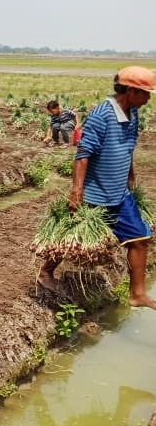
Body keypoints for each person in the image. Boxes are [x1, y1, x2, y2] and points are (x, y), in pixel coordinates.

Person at [39, 67, 156, 310]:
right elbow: (83, 154)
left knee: (140, 239)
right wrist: (76, 191)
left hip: (119, 193)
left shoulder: (132, 113)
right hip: (94, 192)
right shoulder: (102, 114)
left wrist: (130, 176)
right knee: (67, 234)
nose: (149, 99)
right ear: (132, 91)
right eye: (146, 93)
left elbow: (127, 147)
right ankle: (46, 273)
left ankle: (137, 294)